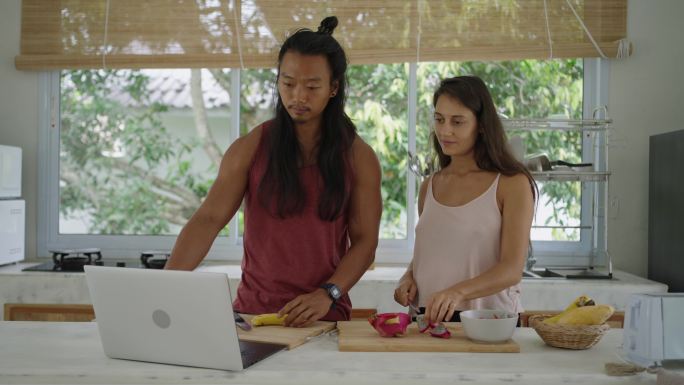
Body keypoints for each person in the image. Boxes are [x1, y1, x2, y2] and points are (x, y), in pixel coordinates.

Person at [165, 16, 382, 327]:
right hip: (253, 315)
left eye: (312, 86)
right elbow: (208, 220)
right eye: (288, 83)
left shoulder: (359, 157)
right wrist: (163, 287)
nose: (298, 96)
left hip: (323, 318)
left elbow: (365, 244)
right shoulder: (250, 148)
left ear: (333, 87)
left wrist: (327, 293)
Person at [394, 75, 537, 324]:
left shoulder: (511, 184)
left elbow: (512, 269)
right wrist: (409, 276)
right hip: (427, 319)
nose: (444, 130)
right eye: (439, 119)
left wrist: (457, 292)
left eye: (457, 122)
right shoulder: (430, 185)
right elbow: (435, 250)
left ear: (481, 125)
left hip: (489, 322)